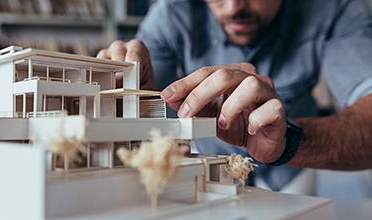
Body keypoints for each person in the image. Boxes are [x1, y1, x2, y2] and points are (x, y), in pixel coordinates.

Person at [97, 0, 372, 190]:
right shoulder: (171, 11)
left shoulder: (335, 8)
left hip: (294, 166)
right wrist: (130, 97)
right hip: (207, 162)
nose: (233, 8)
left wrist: (287, 142)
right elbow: (147, 99)